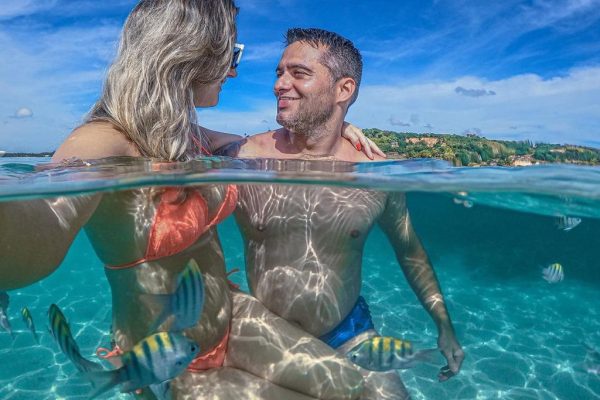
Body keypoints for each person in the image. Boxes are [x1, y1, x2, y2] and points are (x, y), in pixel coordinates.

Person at [0, 4, 386, 400]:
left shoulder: (187, 134)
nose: (234, 71)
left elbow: (267, 144)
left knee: (359, 388)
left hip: (235, 317)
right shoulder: (105, 139)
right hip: (169, 360)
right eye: (232, 53)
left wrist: (339, 124)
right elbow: (45, 220)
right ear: (194, 50)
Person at [219, 28, 465, 399]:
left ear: (343, 90)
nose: (279, 85)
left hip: (349, 331)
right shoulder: (245, 157)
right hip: (268, 333)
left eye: (298, 73)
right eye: (278, 73)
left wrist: (444, 325)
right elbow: (171, 133)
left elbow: (410, 251)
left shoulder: (375, 173)